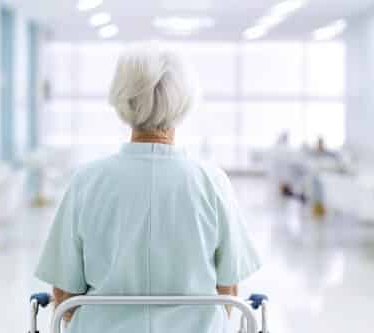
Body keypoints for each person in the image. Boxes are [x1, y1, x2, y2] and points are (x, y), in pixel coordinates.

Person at [35, 43, 262, 333]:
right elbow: (228, 290)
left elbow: (64, 294)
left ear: (122, 99)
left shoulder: (87, 181)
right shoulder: (211, 182)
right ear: (184, 102)